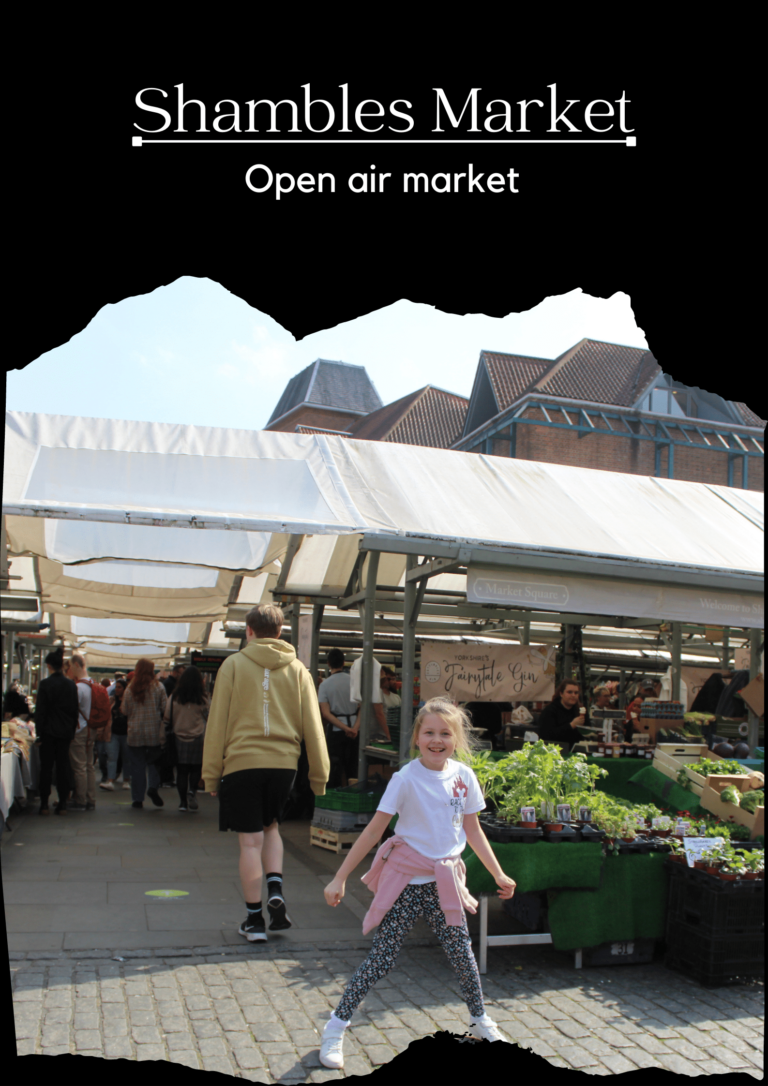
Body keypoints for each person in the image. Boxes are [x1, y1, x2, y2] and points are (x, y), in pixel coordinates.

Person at [319, 698, 516, 1069]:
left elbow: (473, 830)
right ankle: (336, 1026)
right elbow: (375, 829)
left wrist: (497, 872)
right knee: (381, 958)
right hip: (408, 882)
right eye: (429, 732)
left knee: (463, 956)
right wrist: (339, 876)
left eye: (445, 733)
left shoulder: (464, 777)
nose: (437, 740)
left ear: (456, 739)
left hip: (446, 883)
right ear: (416, 737)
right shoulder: (405, 778)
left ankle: (480, 1021)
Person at [201, 603, 330, 943]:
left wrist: (211, 774)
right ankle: (275, 887)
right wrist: (319, 776)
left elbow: (217, 724)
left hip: (241, 762)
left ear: (249, 631)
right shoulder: (299, 670)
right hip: (284, 765)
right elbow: (313, 727)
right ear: (280, 632)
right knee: (272, 828)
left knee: (249, 841)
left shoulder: (232, 665)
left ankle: (255, 920)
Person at [33, 647, 78, 815]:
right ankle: (63, 804)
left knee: (46, 768)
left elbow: (41, 711)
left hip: (48, 732)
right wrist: (72, 731)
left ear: (49, 666)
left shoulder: (45, 684)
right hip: (65, 732)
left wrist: (39, 733)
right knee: (63, 767)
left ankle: (44, 804)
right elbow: (74, 710)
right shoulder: (71, 685)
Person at [122, 658, 168, 809]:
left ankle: (137, 799)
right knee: (154, 763)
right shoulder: (159, 687)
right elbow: (164, 709)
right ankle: (153, 787)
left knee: (137, 766)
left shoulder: (130, 688)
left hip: (134, 733)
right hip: (153, 732)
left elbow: (124, 710)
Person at [163, 665, 209, 812]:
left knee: (182, 771)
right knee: (196, 769)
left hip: (178, 737)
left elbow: (167, 717)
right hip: (197, 737)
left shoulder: (174, 697)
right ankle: (192, 792)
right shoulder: (203, 698)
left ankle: (182, 802)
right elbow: (209, 717)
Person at [318, 649, 359, 789]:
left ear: (328, 663)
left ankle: (333, 798)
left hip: (336, 731)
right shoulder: (354, 682)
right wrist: (354, 728)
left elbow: (326, 714)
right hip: (355, 731)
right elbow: (363, 708)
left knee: (334, 768)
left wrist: (345, 728)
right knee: (353, 768)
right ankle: (354, 797)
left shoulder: (324, 685)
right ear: (343, 662)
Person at [67, 654, 98, 810]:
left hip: (80, 729)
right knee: (89, 766)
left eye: (71, 666)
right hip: (91, 729)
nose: (70, 669)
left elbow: (71, 710)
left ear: (77, 665)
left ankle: (80, 800)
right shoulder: (93, 683)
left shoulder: (78, 687)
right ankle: (90, 799)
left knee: (79, 767)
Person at [535, 680, 589, 747]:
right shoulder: (550, 711)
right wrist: (571, 725)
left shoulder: (579, 711)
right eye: (569, 692)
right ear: (561, 694)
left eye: (576, 693)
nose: (573, 695)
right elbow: (547, 736)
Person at [106, 679, 130, 791]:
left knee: (126, 758)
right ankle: (110, 781)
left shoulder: (129, 701)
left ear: (125, 689)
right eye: (116, 687)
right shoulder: (112, 701)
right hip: (113, 733)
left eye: (119, 687)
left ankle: (126, 780)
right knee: (112, 757)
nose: (117, 689)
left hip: (126, 733)